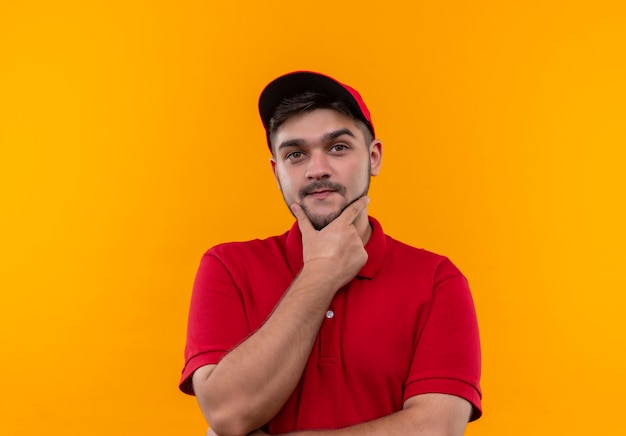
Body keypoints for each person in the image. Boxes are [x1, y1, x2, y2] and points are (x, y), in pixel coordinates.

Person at [179, 71, 482, 435]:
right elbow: (228, 414)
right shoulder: (227, 267)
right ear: (277, 171)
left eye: (338, 147)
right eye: (295, 154)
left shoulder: (437, 280)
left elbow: (438, 428)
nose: (317, 170)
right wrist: (321, 274)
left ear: (374, 157)